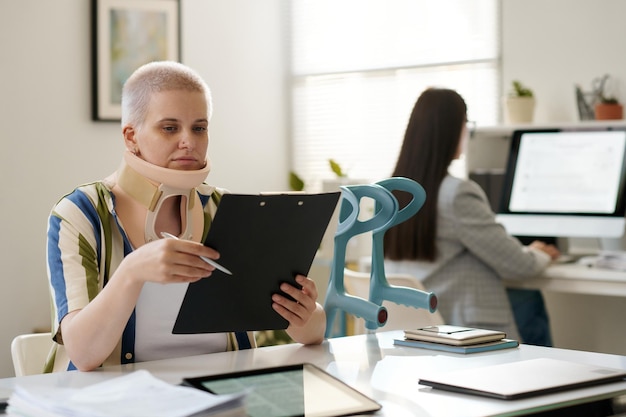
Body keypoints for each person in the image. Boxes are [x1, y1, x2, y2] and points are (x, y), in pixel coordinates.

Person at [45, 61, 326, 372]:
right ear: (131, 137)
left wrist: (304, 314)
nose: (189, 141)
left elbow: (312, 332)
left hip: (224, 393)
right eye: (169, 128)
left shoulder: (226, 208)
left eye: (199, 128)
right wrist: (132, 271)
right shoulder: (81, 214)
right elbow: (83, 355)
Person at [383, 87, 560, 343]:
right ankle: (545, 379)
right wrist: (540, 254)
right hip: (459, 331)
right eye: (466, 124)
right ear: (452, 130)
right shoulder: (456, 194)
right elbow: (518, 265)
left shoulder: (392, 193)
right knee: (528, 296)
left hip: (410, 331)